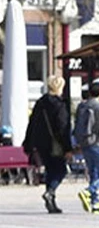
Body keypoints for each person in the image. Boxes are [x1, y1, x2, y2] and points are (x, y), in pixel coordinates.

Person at [23, 75, 72, 213]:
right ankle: (50, 192)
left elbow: (32, 123)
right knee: (61, 170)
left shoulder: (40, 102)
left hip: (40, 143)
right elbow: (63, 127)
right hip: (55, 144)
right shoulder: (60, 104)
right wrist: (68, 148)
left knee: (51, 170)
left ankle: (51, 202)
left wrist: (28, 143)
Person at [74, 81, 99, 214]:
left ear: (89, 92)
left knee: (93, 173)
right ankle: (88, 192)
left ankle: (95, 203)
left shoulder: (81, 107)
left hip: (85, 144)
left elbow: (76, 125)